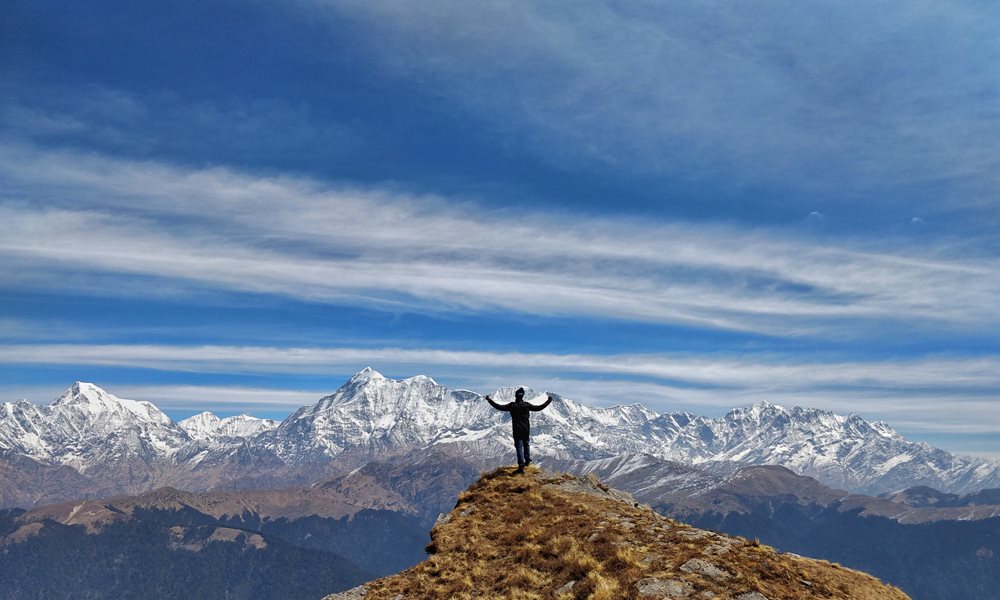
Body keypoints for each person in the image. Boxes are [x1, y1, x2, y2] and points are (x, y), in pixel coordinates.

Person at [485, 387, 553, 474]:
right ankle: (527, 460)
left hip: (517, 429)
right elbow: (539, 407)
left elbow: (499, 407)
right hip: (526, 429)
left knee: (519, 447)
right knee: (526, 444)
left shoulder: (512, 405)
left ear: (515, 396)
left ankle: (521, 467)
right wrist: (549, 401)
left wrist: (489, 400)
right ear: (522, 396)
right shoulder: (526, 405)